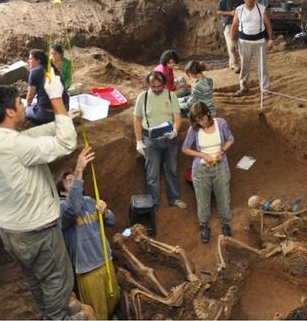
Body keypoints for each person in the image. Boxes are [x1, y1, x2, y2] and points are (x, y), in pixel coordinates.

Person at [0, 73, 78, 319]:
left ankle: (48, 313)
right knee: (58, 281)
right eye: (20, 103)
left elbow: (25, 138)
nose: (24, 105)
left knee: (36, 279)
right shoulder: (17, 147)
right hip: (37, 230)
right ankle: (56, 318)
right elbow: (66, 144)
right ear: (10, 112)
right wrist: (57, 101)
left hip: (11, 230)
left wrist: (60, 122)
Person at [57, 146, 120, 320]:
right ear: (62, 192)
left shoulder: (90, 200)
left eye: (75, 179)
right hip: (87, 270)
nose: (76, 182)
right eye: (70, 181)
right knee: (97, 314)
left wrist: (105, 211)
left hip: (105, 261)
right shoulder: (62, 209)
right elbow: (73, 207)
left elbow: (111, 221)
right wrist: (78, 170)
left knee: (113, 301)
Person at [133, 71, 187, 209]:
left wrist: (175, 131)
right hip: (151, 140)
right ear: (148, 85)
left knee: (172, 170)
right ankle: (154, 202)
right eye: (153, 87)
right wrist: (139, 141)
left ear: (164, 84)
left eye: (159, 86)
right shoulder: (142, 97)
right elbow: (137, 119)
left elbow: (177, 117)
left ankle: (174, 198)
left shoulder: (171, 95)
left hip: (169, 139)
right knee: (152, 174)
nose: (157, 89)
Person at [182, 102, 234, 243]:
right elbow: (185, 148)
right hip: (201, 169)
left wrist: (221, 151)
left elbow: (230, 139)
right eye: (197, 121)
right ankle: (204, 226)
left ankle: (226, 224)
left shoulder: (221, 124)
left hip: (220, 166)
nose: (201, 123)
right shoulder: (194, 130)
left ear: (208, 114)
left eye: (203, 119)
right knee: (202, 199)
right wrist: (202, 155)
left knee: (223, 196)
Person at [231, 0, 273, 96]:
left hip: (259, 42)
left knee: (262, 66)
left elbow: (268, 24)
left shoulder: (261, 9)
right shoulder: (239, 10)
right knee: (244, 66)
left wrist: (270, 39)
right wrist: (232, 41)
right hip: (244, 42)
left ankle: (265, 88)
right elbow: (234, 25)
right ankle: (243, 87)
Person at [26, 49, 70, 125]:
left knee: (25, 111)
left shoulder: (34, 72)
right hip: (64, 110)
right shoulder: (55, 70)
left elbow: (30, 96)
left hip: (47, 114)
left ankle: (41, 124)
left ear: (38, 60)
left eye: (30, 58)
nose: (28, 61)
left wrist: (27, 106)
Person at [217, 0, 244, 74]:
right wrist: (230, 13)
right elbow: (218, 11)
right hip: (228, 24)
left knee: (241, 46)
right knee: (232, 46)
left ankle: (239, 64)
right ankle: (235, 65)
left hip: (241, 25)